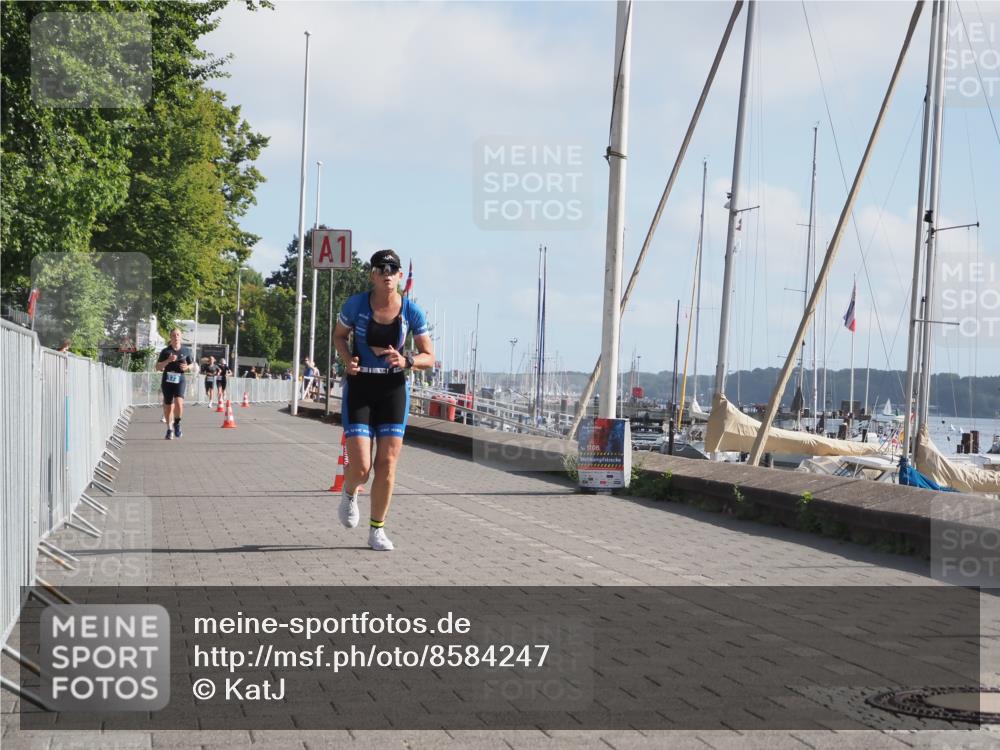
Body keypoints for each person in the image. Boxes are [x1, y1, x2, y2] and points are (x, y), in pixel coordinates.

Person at [332, 249, 433, 551]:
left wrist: (408, 361)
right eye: (381, 269)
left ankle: (377, 530)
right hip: (361, 387)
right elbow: (339, 336)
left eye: (393, 269)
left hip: (392, 389)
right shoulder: (356, 305)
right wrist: (347, 359)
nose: (387, 274)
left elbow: (430, 356)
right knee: (362, 466)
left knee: (387, 464)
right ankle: (350, 493)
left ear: (400, 276)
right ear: (372, 275)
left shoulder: (411, 311)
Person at [156, 328, 194, 439]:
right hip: (167, 380)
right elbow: (157, 367)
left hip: (180, 379)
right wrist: (168, 360)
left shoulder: (186, 350)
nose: (176, 337)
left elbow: (193, 364)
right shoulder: (165, 351)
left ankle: (177, 423)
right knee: (168, 407)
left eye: (178, 335)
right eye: (173, 335)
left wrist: (187, 367)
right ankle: (169, 429)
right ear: (170, 337)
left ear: (180, 337)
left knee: (179, 403)